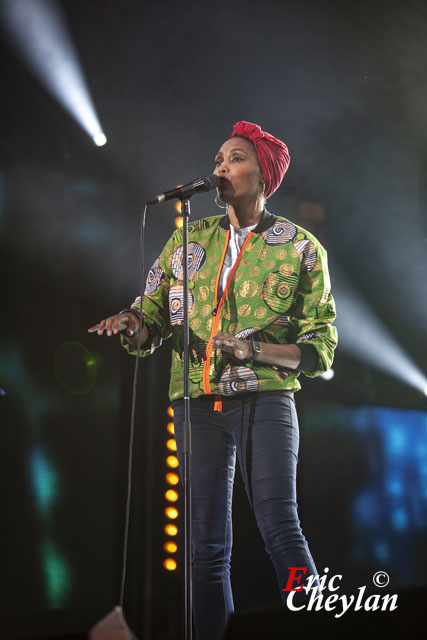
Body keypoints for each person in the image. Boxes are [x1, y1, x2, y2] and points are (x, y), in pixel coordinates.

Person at [89, 121, 337, 640]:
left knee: (280, 529)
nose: (222, 166)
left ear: (263, 175)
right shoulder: (189, 239)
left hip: (265, 400)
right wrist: (133, 323)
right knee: (204, 550)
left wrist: (252, 349)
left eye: (237, 158)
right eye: (220, 157)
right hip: (197, 403)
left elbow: (320, 348)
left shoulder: (300, 247)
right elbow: (152, 315)